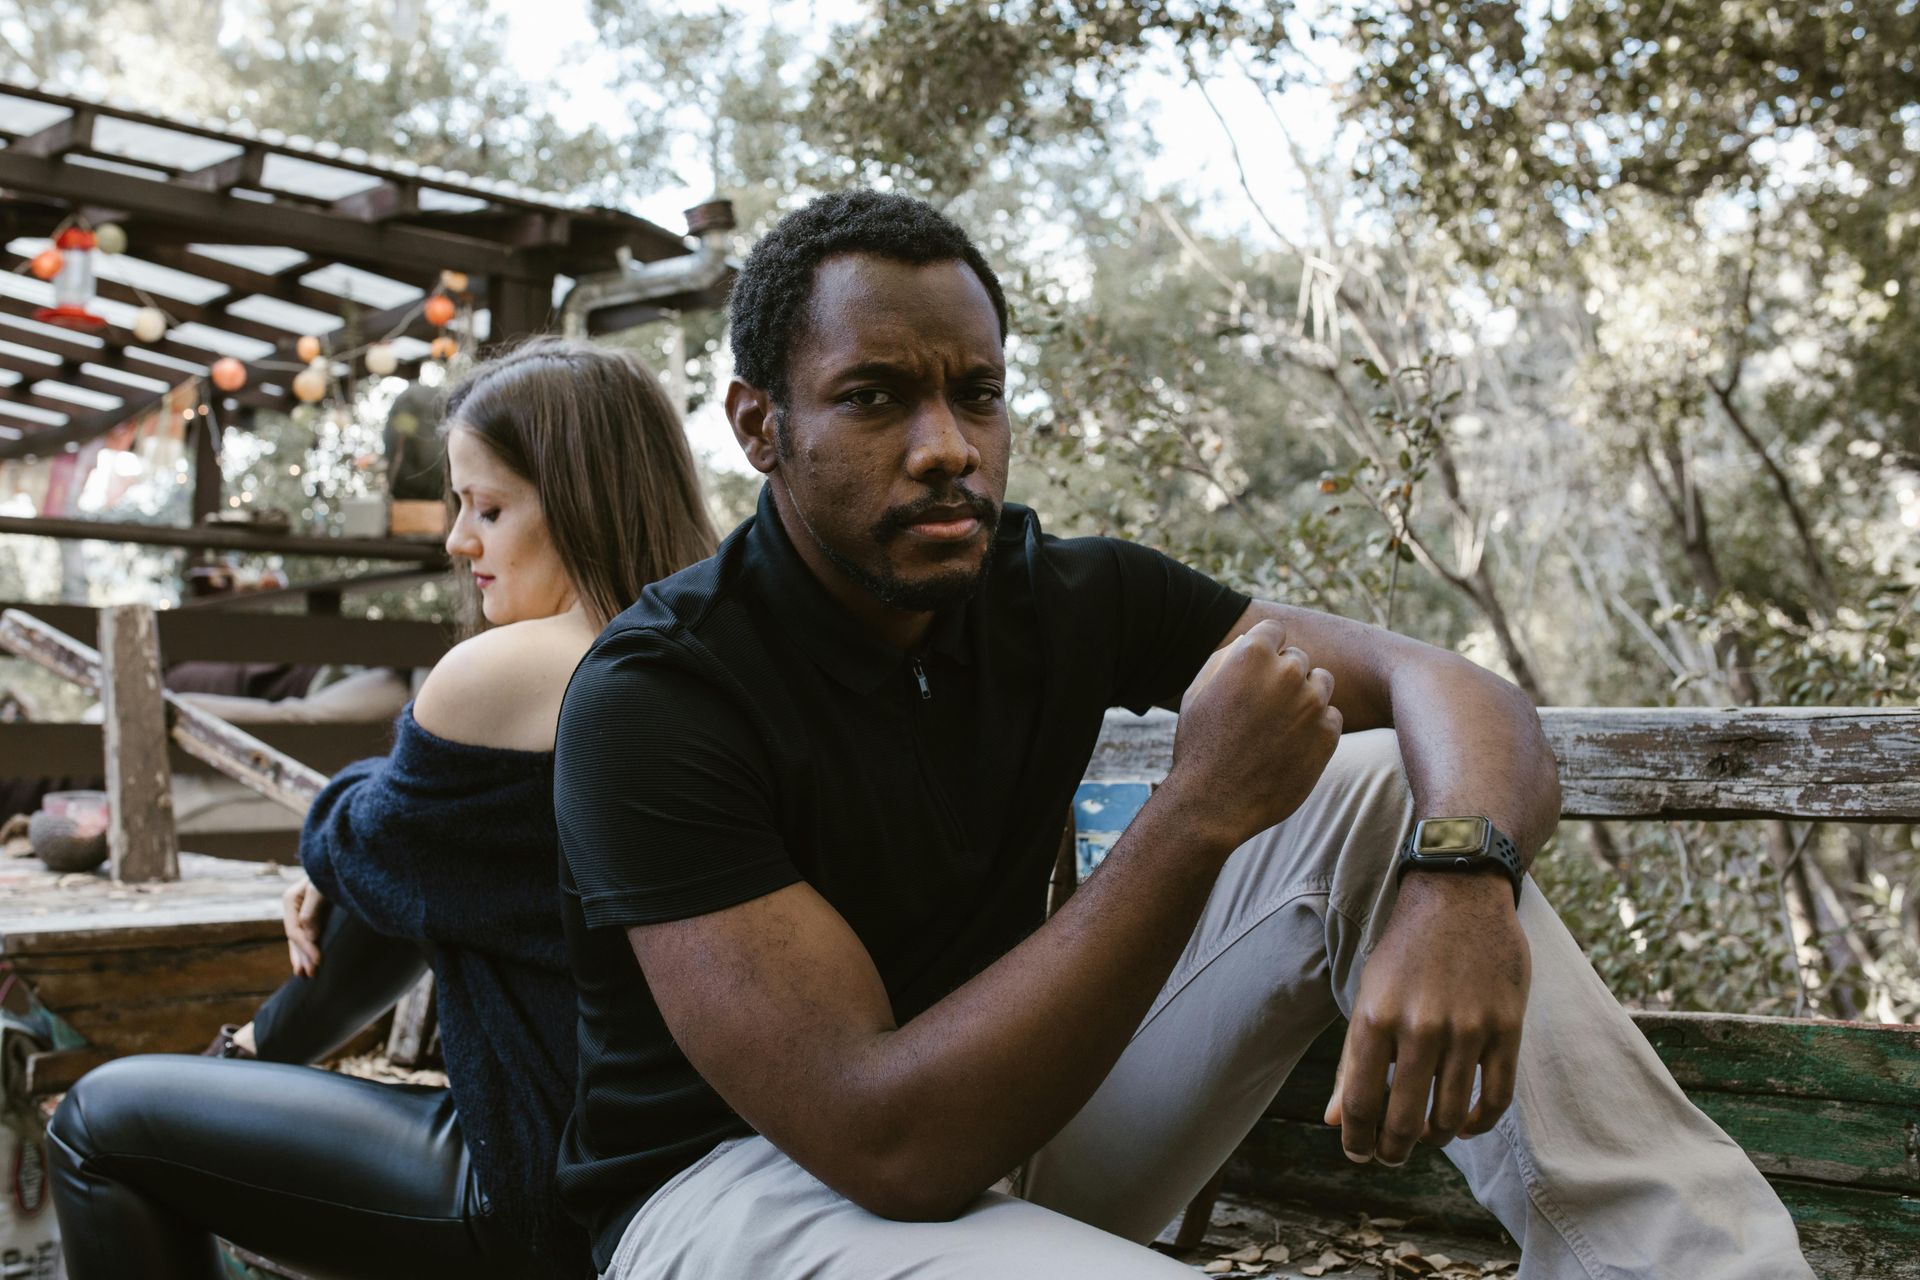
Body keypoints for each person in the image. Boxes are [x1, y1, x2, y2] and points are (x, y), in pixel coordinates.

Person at [552, 191, 1814, 1279]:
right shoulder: (660, 694)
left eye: (976, 394)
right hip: (733, 1196)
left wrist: (1464, 883)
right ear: (761, 424)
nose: (947, 447)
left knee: (1375, 779)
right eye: (875, 398)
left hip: (1009, 1125)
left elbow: (1438, 679)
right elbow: (885, 1138)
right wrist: (1196, 811)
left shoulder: (1053, 590)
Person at [45, 338, 716, 1280]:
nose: (456, 540)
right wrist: (369, 848)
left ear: (579, 500)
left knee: (96, 1121)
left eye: (487, 508)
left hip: (546, 1176)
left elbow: (355, 835)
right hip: (686, 1160)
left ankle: (245, 1059)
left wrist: (337, 845)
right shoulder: (713, 657)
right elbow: (411, 855)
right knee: (413, 866)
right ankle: (251, 1059)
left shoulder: (520, 665)